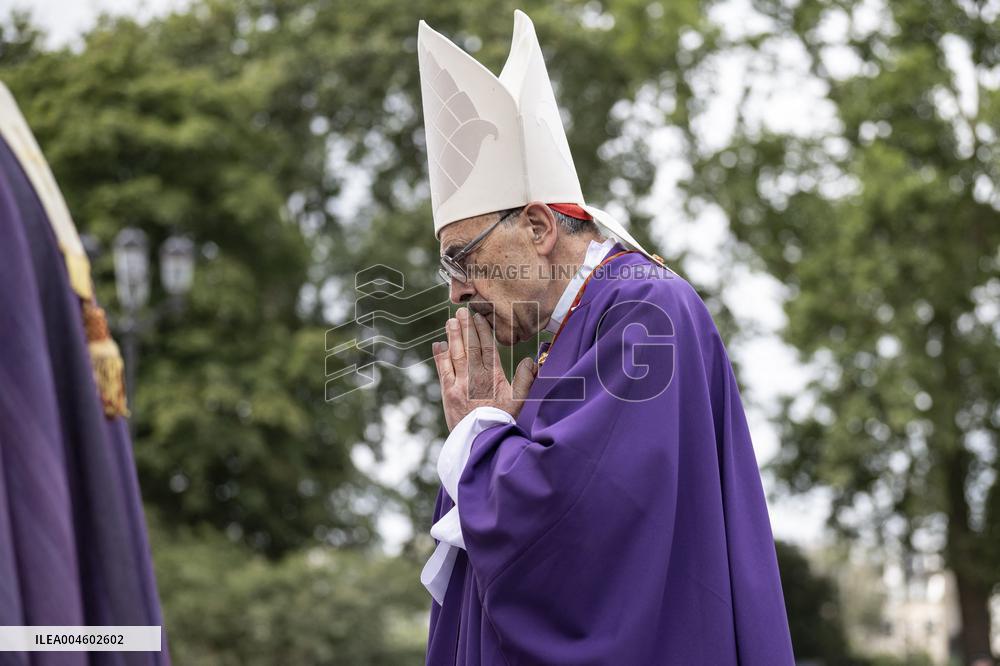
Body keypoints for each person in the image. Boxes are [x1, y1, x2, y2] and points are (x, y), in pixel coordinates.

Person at [417, 11, 795, 665]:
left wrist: (478, 438)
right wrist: (500, 437)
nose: (454, 292)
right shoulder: (576, 331)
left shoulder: (644, 312)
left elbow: (582, 538)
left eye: (461, 258)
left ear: (538, 226)